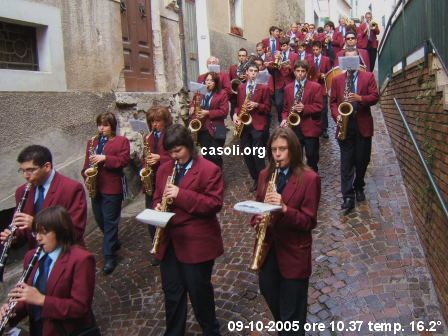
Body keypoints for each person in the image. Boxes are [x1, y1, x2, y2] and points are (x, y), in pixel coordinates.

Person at [153, 124, 224, 336]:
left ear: (189, 146)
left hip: (196, 243)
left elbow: (213, 204)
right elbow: (157, 196)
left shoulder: (209, 170)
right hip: (170, 243)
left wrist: (180, 194)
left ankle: (211, 331)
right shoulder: (165, 169)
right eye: (170, 152)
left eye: (178, 151)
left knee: (199, 293)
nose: (174, 157)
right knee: (172, 294)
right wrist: (157, 205)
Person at [251, 127, 321, 336]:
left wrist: (285, 210)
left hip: (293, 251)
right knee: (272, 298)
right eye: (274, 150)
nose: (277, 154)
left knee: (293, 312)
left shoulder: (310, 178)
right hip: (268, 249)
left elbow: (308, 221)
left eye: (282, 149)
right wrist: (257, 218)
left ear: (293, 149)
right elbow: (256, 207)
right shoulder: (264, 175)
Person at [0, 206, 97, 336]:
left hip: (66, 331)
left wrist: (42, 300)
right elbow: (27, 295)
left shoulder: (81, 259)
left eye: (44, 232)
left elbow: (80, 307)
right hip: (39, 329)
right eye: (36, 233)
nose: (38, 238)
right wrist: (12, 311)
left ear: (60, 231)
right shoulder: (30, 256)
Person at [0, 145, 87, 249]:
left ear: (47, 167)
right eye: (22, 170)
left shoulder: (71, 188)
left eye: (30, 170)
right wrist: (15, 236)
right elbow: (23, 229)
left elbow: (75, 230)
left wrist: (37, 225)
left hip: (64, 253)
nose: (26, 176)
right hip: (36, 257)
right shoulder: (21, 191)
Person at [330, 49, 379, 211]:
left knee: (362, 161)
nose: (350, 63)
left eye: (353, 59)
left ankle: (359, 186)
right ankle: (348, 196)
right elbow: (333, 102)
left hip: (362, 125)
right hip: (344, 125)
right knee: (346, 162)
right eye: (347, 60)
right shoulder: (337, 80)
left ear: (358, 61)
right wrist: (337, 115)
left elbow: (375, 97)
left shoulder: (368, 76)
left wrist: (360, 99)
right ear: (343, 62)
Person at [82, 112, 130, 274]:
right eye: (99, 124)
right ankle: (113, 241)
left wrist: (105, 158)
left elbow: (123, 161)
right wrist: (86, 176)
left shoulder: (121, 141)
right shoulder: (92, 142)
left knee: (110, 221)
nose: (101, 128)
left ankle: (110, 256)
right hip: (96, 186)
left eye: (105, 125)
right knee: (100, 219)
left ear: (112, 126)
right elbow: (85, 164)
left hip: (112, 187)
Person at [142, 106, 172, 265]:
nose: (154, 125)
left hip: (165, 179)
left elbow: (175, 157)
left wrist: (159, 158)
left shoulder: (170, 135)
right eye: (152, 121)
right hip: (151, 180)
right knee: (151, 216)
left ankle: (166, 245)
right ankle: (156, 247)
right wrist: (144, 171)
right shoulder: (148, 137)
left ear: (165, 121)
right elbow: (145, 157)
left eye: (158, 121)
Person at [233, 62, 271, 191]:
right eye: (251, 71)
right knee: (247, 154)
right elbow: (238, 105)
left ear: (258, 73)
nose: (253, 73)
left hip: (258, 125)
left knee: (257, 155)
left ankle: (263, 182)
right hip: (244, 125)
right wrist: (235, 116)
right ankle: (255, 178)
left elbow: (267, 108)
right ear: (247, 73)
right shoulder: (241, 88)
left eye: (255, 71)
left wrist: (256, 105)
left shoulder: (264, 88)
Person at [281, 60, 323, 172]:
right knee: (295, 157)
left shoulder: (316, 87)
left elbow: (319, 106)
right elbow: (285, 108)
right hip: (294, 128)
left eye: (303, 71)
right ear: (294, 72)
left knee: (312, 157)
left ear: (306, 72)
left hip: (310, 127)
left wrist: (305, 108)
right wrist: (284, 119)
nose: (300, 74)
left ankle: (313, 179)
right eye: (298, 71)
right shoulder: (288, 88)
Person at [189, 71, 229, 168]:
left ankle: (219, 176)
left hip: (217, 129)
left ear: (216, 82)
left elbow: (224, 112)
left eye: (211, 80)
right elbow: (194, 103)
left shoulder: (222, 93)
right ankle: (211, 178)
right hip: (202, 129)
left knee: (215, 156)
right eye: (207, 80)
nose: (209, 82)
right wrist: (192, 107)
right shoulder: (199, 93)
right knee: (206, 156)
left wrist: (208, 113)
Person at [266, 37, 298, 124]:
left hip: (290, 82)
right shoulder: (276, 55)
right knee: (278, 103)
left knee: (290, 104)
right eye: (281, 46)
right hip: (279, 83)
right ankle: (282, 120)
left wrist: (290, 67)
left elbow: (297, 70)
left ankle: (290, 122)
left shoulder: (294, 56)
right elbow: (271, 71)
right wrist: (270, 65)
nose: (282, 48)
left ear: (288, 46)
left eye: (284, 46)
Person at [306, 40, 332, 139]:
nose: (315, 52)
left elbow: (329, 73)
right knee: (312, 108)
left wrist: (324, 75)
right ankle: (314, 126)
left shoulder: (326, 59)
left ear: (321, 49)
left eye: (317, 50)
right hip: (311, 87)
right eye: (313, 50)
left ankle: (324, 128)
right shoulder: (308, 58)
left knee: (324, 109)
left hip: (322, 87)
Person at [229, 48, 249, 120]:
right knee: (233, 113)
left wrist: (247, 77)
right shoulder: (232, 67)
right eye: (240, 55)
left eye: (243, 56)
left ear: (246, 57)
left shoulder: (249, 67)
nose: (241, 57)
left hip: (245, 93)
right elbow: (230, 80)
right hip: (234, 94)